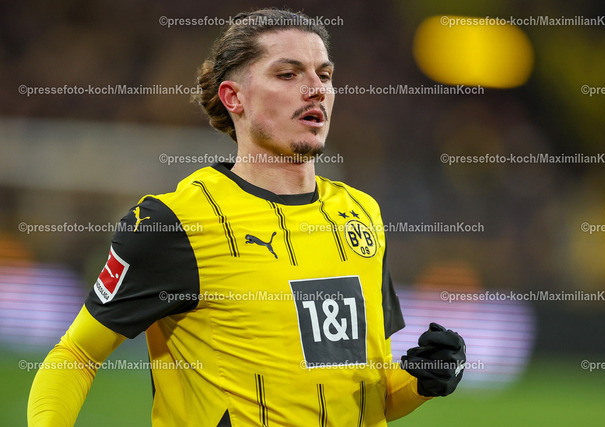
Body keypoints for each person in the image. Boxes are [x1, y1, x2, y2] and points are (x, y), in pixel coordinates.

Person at [28, 8, 465, 426]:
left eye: (324, 75)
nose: (315, 89)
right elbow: (75, 356)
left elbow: (372, 395)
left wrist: (424, 379)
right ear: (233, 97)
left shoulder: (360, 215)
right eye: (288, 74)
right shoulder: (177, 223)